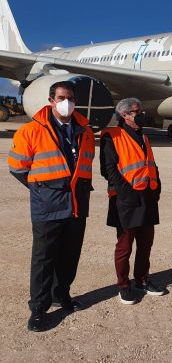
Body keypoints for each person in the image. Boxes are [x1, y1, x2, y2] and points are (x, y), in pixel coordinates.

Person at [7, 81, 95, 331]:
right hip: (48, 205)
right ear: (51, 100)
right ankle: (38, 307)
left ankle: (61, 294)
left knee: (70, 255)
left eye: (70, 97)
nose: (66, 102)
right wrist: (41, 189)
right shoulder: (31, 131)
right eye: (60, 97)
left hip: (77, 204)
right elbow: (17, 167)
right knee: (43, 258)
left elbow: (85, 167)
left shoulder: (85, 131)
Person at [99, 98, 166, 305]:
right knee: (125, 246)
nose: (141, 114)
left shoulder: (143, 136)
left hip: (147, 196)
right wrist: (126, 193)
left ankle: (142, 280)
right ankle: (123, 285)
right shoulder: (112, 136)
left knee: (146, 244)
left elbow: (149, 164)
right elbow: (108, 170)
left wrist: (157, 187)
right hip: (126, 199)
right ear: (124, 115)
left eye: (140, 110)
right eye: (136, 111)